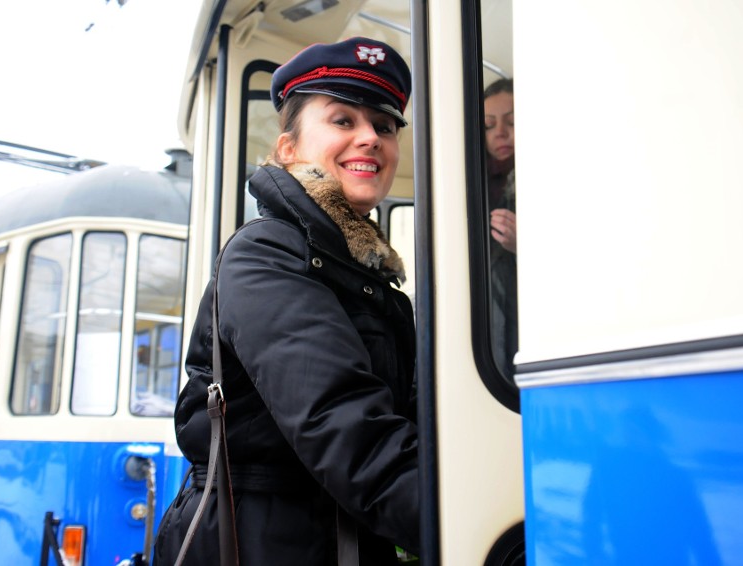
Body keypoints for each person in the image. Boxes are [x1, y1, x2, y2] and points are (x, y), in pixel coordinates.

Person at [153, 37, 419, 566]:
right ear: (288, 150)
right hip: (257, 544)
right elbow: (343, 426)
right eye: (343, 121)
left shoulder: (366, 273)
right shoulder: (266, 252)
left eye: (384, 127)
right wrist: (472, 517)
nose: (369, 137)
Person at [483, 78, 518, 379]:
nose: (501, 133)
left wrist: (524, 247)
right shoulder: (468, 177)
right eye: (489, 125)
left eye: (512, 121)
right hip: (485, 322)